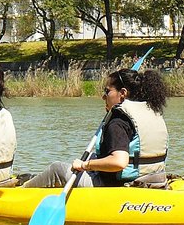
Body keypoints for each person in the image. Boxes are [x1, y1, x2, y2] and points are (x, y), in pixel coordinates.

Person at [23, 68, 168, 188]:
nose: (103, 97)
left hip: (119, 185)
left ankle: (21, 192)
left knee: (57, 168)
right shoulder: (152, 111)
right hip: (154, 180)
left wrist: (86, 165)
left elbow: (119, 162)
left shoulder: (118, 120)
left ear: (122, 93)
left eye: (107, 91)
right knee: (94, 156)